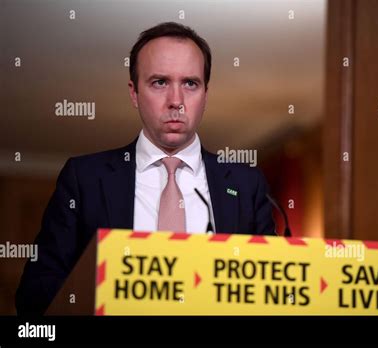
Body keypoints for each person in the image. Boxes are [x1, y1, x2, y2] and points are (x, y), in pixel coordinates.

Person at [16, 22, 275, 315]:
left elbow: (274, 293)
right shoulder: (84, 179)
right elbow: (35, 294)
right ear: (134, 93)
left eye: (190, 83)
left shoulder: (246, 184)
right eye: (159, 82)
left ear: (206, 94)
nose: (176, 101)